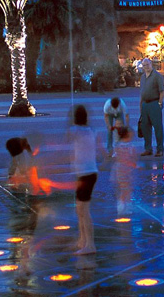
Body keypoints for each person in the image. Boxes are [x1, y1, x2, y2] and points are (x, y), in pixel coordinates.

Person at [67, 105, 98, 255]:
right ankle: (82, 240)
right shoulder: (90, 130)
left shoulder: (75, 130)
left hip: (86, 175)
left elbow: (68, 136)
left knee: (84, 210)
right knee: (80, 209)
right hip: (87, 173)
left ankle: (90, 244)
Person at [139, 58, 164, 157]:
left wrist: (159, 103)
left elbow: (162, 91)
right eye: (144, 65)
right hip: (145, 104)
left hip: (154, 103)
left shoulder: (157, 76)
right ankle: (148, 148)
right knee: (145, 127)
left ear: (151, 64)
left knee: (157, 127)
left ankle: (160, 149)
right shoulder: (142, 77)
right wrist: (140, 105)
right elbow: (142, 92)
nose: (146, 67)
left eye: (147, 64)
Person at [111, 126, 137, 215]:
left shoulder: (117, 146)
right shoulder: (131, 146)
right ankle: (128, 208)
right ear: (128, 135)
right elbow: (134, 159)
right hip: (128, 170)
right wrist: (135, 165)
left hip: (119, 170)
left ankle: (120, 207)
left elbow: (115, 157)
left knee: (123, 189)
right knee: (128, 189)